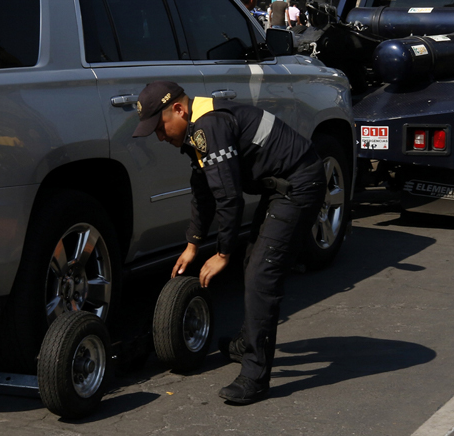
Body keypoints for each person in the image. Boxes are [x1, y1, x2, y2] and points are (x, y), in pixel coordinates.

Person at [133, 81, 325, 405]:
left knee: (261, 275)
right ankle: (246, 343)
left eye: (160, 127)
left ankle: (255, 375)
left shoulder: (209, 126)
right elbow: (203, 191)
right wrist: (193, 244)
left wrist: (223, 252)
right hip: (281, 185)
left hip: (299, 184)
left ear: (179, 109)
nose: (161, 137)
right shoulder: (199, 127)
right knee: (253, 262)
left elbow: (229, 197)